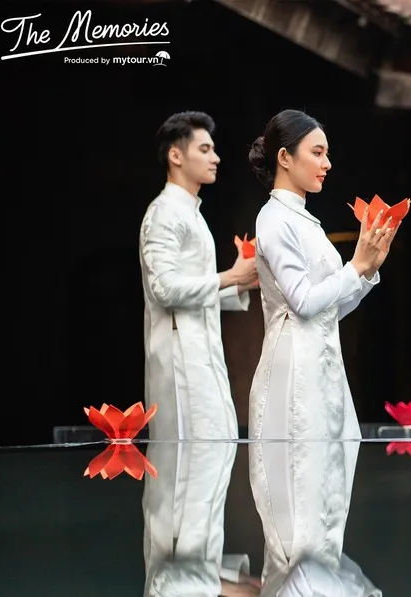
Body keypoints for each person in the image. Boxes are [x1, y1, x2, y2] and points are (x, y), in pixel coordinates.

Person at [245, 108, 397, 585]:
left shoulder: (305, 221)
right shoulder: (274, 219)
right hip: (293, 368)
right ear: (285, 157)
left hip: (324, 363)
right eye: (318, 152)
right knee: (301, 485)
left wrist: (367, 271)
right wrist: (355, 268)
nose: (327, 163)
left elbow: (330, 308)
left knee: (329, 484)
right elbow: (305, 303)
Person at [138, 110, 258, 594]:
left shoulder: (191, 212)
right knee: (192, 457)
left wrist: (238, 281)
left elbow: (193, 288)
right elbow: (164, 287)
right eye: (204, 149)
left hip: (201, 354)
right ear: (176, 154)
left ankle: (209, 569)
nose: (215, 157)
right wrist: (231, 276)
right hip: (180, 361)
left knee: (212, 450)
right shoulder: (165, 213)